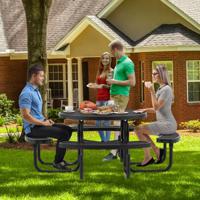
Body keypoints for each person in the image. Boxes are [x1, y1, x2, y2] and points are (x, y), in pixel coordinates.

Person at [19, 64, 72, 170]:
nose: (43, 78)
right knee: (63, 134)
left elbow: (36, 112)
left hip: (39, 124)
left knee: (68, 129)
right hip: (32, 129)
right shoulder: (26, 93)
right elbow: (25, 116)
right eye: (41, 76)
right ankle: (58, 162)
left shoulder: (35, 90)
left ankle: (59, 159)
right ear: (34, 76)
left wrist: (45, 120)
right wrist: (43, 123)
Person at [135, 64, 177, 167]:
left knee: (138, 129)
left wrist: (151, 91)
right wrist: (144, 110)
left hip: (168, 124)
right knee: (139, 129)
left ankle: (149, 156)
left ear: (161, 75)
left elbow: (156, 107)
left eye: (155, 74)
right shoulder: (161, 89)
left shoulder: (166, 89)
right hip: (163, 123)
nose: (153, 76)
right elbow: (157, 109)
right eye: (152, 74)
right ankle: (156, 151)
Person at [103, 40, 136, 161]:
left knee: (117, 122)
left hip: (121, 96)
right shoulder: (119, 62)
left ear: (116, 49)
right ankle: (120, 150)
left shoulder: (127, 63)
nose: (111, 55)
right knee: (116, 122)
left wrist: (114, 82)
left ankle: (114, 152)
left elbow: (132, 82)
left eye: (112, 52)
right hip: (114, 95)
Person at [95, 52, 112, 142]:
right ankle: (104, 140)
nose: (105, 60)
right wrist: (94, 85)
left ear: (109, 60)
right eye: (103, 58)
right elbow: (98, 84)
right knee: (97, 122)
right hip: (99, 98)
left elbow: (112, 86)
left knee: (106, 122)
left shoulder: (110, 71)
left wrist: (103, 86)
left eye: (107, 58)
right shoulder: (100, 71)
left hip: (107, 98)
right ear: (101, 60)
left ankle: (106, 141)